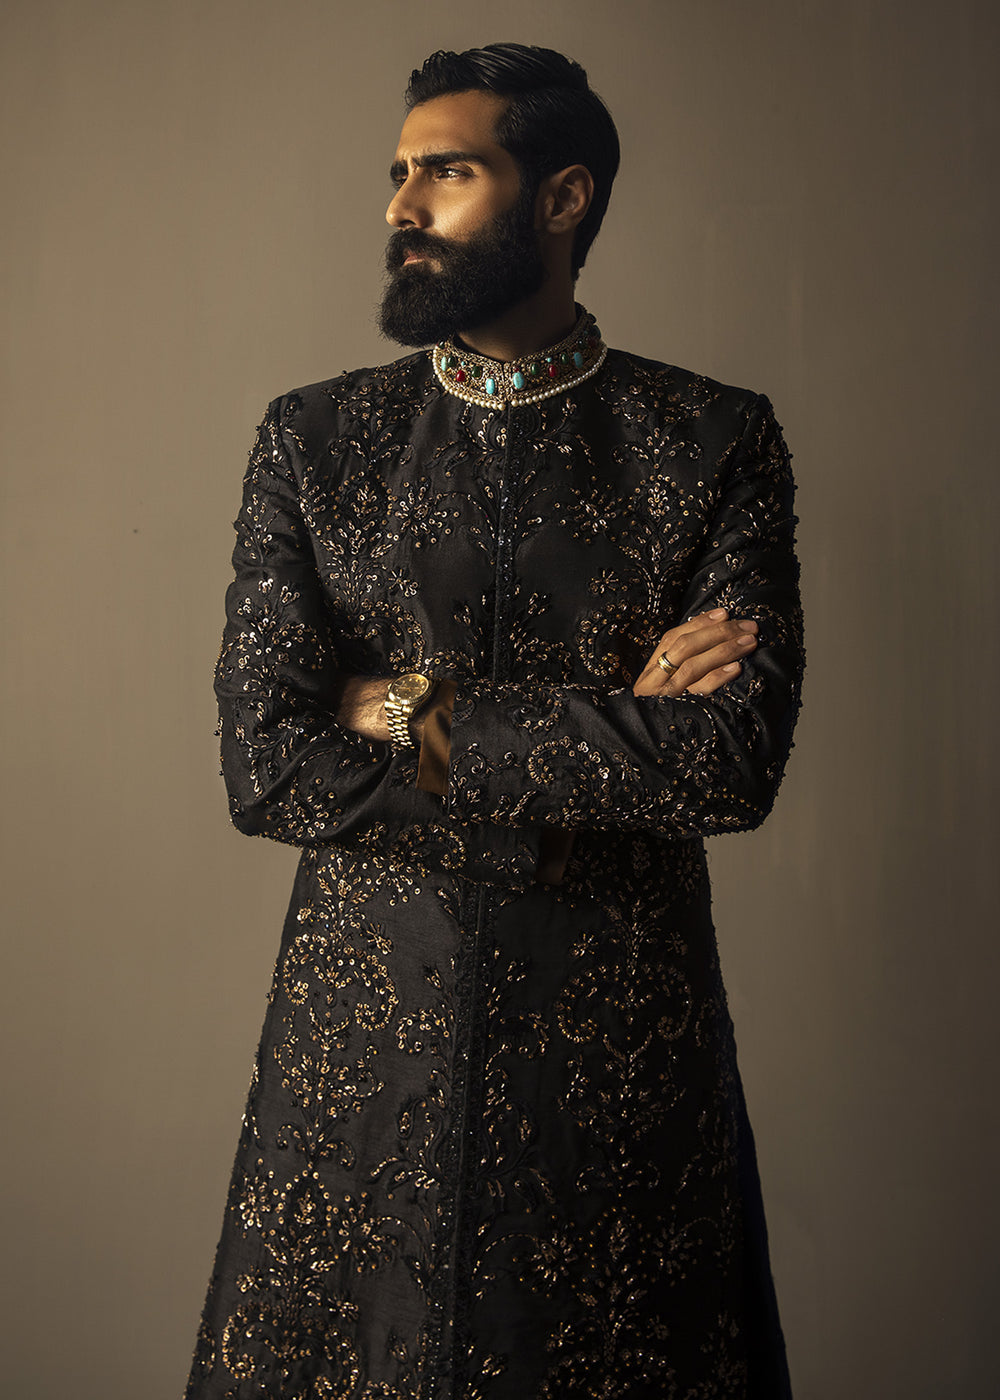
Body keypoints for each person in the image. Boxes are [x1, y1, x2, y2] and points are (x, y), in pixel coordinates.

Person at [186, 42, 803, 1400]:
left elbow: (728, 762)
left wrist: (395, 706)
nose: (402, 205)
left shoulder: (709, 439)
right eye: (401, 172)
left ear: (562, 197)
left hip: (618, 1045)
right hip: (361, 1048)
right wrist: (610, 731)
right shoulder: (318, 439)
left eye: (449, 172)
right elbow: (268, 760)